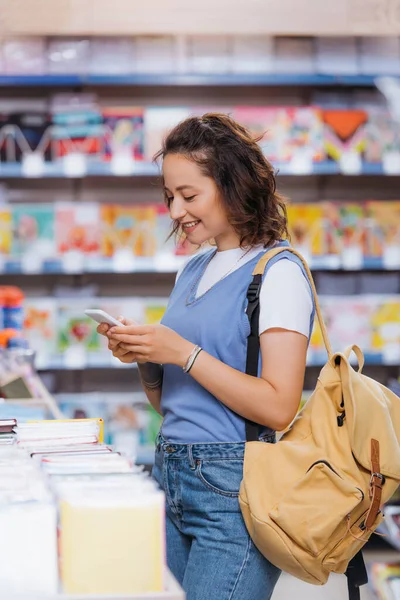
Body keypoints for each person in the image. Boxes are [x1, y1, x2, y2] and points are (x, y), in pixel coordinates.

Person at [98, 113, 315, 600]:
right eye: (170, 196)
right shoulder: (191, 271)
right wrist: (146, 358)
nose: (175, 211)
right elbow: (173, 408)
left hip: (233, 492)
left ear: (234, 185)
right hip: (169, 473)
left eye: (189, 196)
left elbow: (280, 407)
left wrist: (184, 352)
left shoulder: (276, 274)